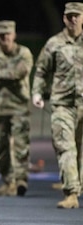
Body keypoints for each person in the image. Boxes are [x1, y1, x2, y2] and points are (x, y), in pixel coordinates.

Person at [32, 2, 83, 209]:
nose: (73, 19)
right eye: (69, 16)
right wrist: (37, 92)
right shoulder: (54, 43)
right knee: (65, 147)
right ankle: (71, 192)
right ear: (64, 18)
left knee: (79, 149)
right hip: (62, 104)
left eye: (76, 15)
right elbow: (41, 70)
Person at [0, 20, 33, 197]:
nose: (5, 38)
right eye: (1, 35)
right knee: (2, 149)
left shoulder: (24, 52)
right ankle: (8, 182)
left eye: (8, 34)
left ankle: (21, 180)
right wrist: (10, 73)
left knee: (21, 145)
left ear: (14, 35)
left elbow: (21, 72)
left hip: (19, 106)